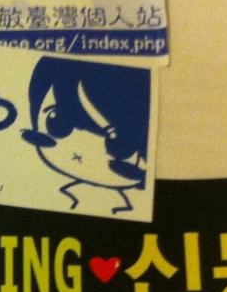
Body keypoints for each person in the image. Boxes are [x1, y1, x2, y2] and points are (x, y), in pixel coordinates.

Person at [20, 56, 150, 214]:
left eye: (119, 145)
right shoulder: (53, 194)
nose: (80, 154)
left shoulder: (127, 206)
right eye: (58, 124)